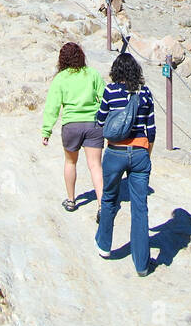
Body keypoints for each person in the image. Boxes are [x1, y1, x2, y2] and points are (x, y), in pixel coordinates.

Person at [94, 51, 156, 276]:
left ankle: (104, 245)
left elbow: (100, 120)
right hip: (140, 152)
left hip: (115, 151)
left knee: (110, 197)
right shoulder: (146, 93)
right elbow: (152, 128)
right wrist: (146, 153)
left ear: (115, 71)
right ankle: (141, 263)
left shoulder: (110, 91)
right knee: (140, 207)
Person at [41, 42, 106, 214]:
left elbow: (52, 107)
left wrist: (46, 130)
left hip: (71, 125)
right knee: (95, 166)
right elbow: (104, 97)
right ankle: (102, 204)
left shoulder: (61, 78)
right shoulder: (92, 74)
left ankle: (71, 200)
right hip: (93, 124)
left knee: (70, 162)